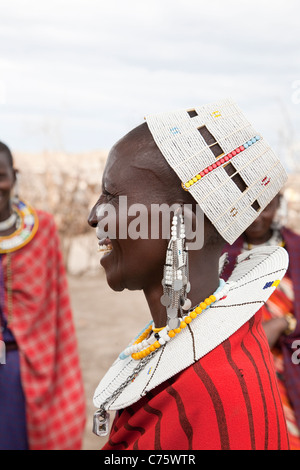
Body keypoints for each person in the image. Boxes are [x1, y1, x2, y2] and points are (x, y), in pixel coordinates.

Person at [88, 98, 290, 450]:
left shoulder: (212, 394)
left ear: (184, 221)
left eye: (112, 195)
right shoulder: (219, 347)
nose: (95, 215)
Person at [0, 141, 86, 450]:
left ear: (14, 175)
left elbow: (57, 307)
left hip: (25, 367)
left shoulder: (43, 230)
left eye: (1, 175)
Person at [221, 193, 300, 449]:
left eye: (262, 207)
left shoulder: (296, 251)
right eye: (246, 208)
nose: (255, 217)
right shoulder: (220, 256)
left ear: (277, 205)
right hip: (236, 367)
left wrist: (283, 324)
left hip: (289, 364)